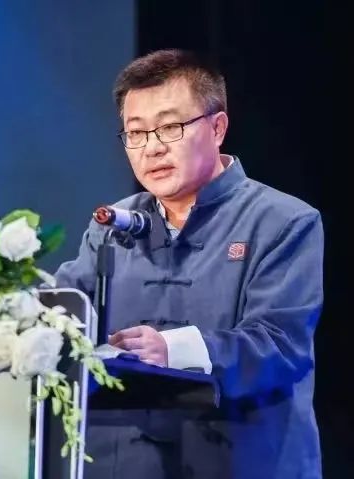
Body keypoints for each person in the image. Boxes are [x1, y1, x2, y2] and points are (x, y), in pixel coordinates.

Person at [55, 49, 323, 479]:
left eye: (170, 127)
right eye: (136, 132)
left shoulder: (283, 221)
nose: (152, 148)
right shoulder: (111, 225)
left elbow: (279, 345)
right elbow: (63, 313)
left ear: (217, 128)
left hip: (242, 464)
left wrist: (172, 350)